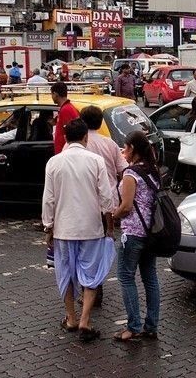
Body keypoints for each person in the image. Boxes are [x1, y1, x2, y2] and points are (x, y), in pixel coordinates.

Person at [41, 118, 118, 342]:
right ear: (85, 137)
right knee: (90, 275)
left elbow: (49, 199)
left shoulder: (54, 163)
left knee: (65, 273)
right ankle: (85, 320)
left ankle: (71, 318)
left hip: (63, 229)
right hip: (91, 228)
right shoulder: (96, 161)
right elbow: (106, 196)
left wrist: (48, 227)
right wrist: (109, 224)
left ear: (65, 138)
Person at [111, 131, 162, 342]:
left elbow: (126, 206)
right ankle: (151, 325)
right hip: (151, 233)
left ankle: (133, 326)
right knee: (150, 278)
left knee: (125, 277)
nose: (123, 152)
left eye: (125, 148)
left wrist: (113, 215)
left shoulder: (131, 174)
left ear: (133, 148)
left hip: (132, 233)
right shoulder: (153, 170)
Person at [79, 105, 127, 181]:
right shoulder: (110, 143)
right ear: (101, 122)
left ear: (81, 121)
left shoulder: (74, 144)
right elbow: (123, 171)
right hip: (110, 190)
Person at [51, 81, 80, 154]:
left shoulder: (66, 110)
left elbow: (69, 136)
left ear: (55, 94)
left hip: (64, 153)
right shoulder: (67, 108)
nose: (51, 97)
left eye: (51, 94)